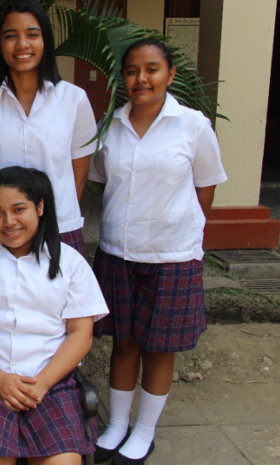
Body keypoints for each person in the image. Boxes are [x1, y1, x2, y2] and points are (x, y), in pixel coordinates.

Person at [89, 38, 227, 465]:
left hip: (171, 256)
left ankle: (144, 431)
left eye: (152, 69)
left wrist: (184, 230)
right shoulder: (111, 125)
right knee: (124, 342)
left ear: (170, 75)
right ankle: (117, 424)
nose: (141, 78)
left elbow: (205, 187)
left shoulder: (193, 125)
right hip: (117, 251)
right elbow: (101, 180)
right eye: (132, 70)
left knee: (158, 346)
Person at [0, 166, 109, 464]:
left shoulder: (70, 262)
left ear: (40, 207)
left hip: (52, 385)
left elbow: (80, 334)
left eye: (19, 209)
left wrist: (42, 384)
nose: (9, 222)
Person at [0, 0, 98, 255]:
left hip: (59, 227)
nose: (22, 44)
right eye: (11, 36)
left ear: (45, 41)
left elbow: (79, 174)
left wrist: (54, 215)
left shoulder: (74, 99)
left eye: (32, 34)